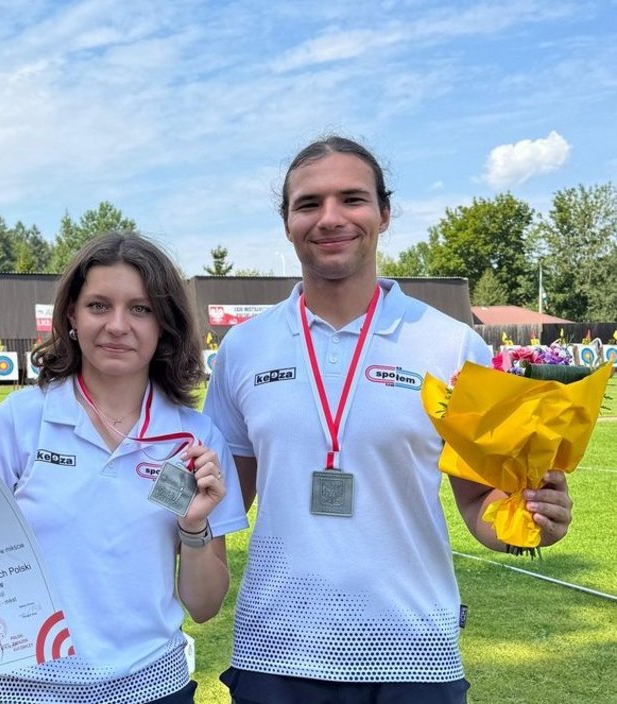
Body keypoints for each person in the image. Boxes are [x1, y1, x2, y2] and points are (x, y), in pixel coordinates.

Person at [202, 136, 573, 704]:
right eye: (308, 204)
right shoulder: (244, 349)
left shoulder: (452, 346)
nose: (330, 218)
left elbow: (480, 501)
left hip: (413, 652)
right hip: (276, 651)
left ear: (384, 213)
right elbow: (223, 499)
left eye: (352, 199)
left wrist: (529, 519)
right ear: (287, 224)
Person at [0, 231, 248, 704]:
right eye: (98, 305)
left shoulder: (195, 439)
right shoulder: (19, 421)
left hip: (153, 687)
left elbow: (204, 606)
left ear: (165, 324)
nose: (117, 325)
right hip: (25, 691)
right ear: (72, 316)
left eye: (140, 308)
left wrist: (194, 527)